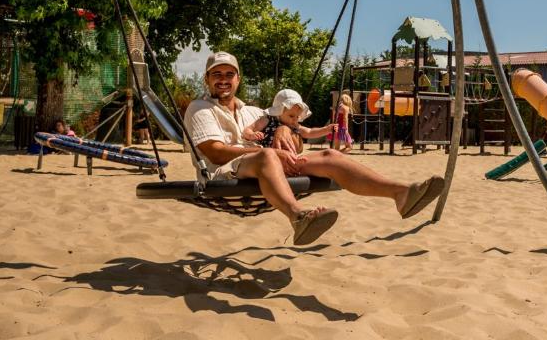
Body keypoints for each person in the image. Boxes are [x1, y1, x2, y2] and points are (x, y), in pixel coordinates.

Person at [184, 51, 444, 246]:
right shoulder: (200, 108)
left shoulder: (252, 111)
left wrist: (286, 130)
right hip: (223, 175)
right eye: (217, 74)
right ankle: (298, 217)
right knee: (266, 154)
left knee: (330, 155)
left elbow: (294, 139)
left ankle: (401, 194)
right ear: (207, 79)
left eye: (229, 74)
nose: (223, 80)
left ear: (238, 79)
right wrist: (270, 152)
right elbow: (215, 152)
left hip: (266, 167)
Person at [241, 89, 334, 150]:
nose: (295, 120)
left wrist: (326, 130)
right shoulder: (268, 120)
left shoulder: (295, 125)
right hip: (270, 155)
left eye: (297, 117)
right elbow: (248, 129)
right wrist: (251, 135)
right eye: (291, 116)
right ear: (279, 111)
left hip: (289, 155)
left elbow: (309, 132)